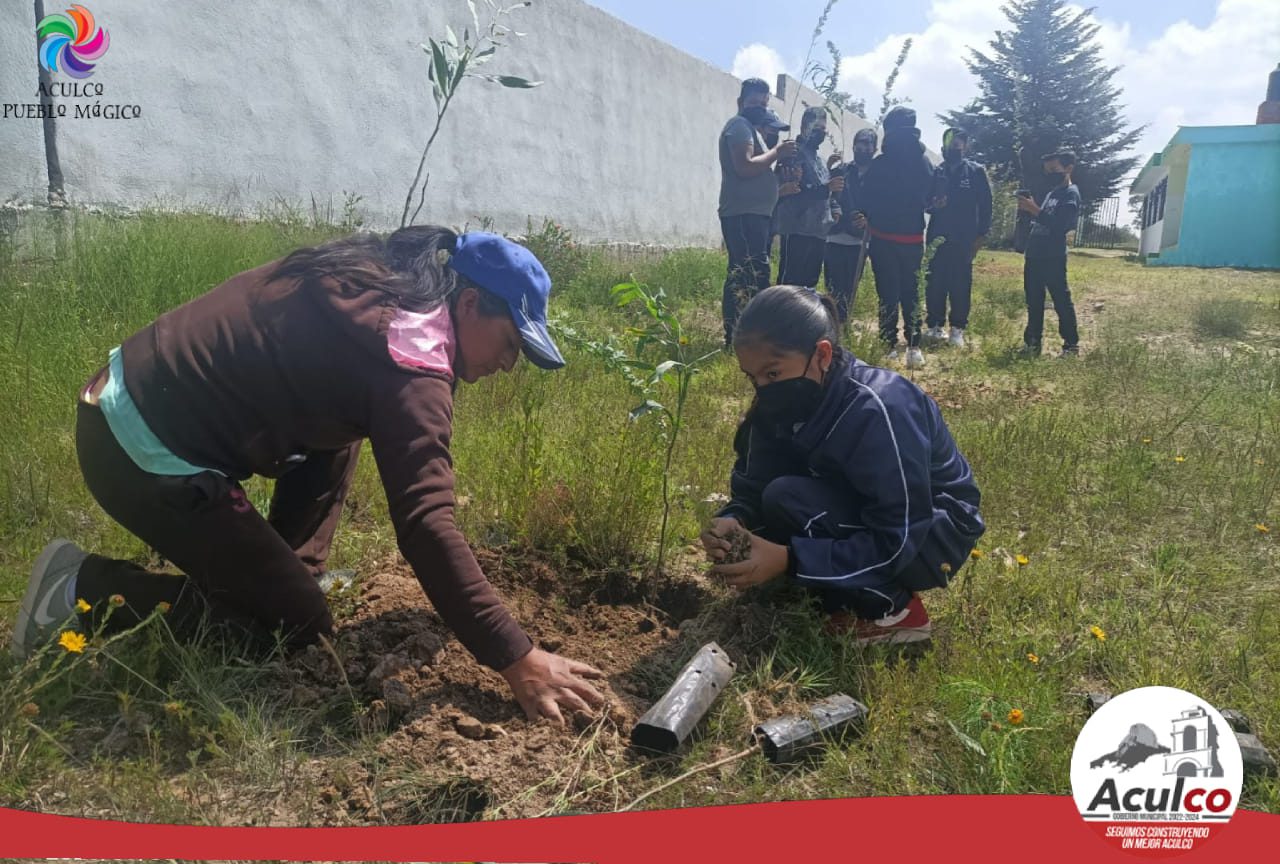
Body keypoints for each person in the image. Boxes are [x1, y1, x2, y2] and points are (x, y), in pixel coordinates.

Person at [11, 227, 607, 725]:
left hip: (122, 398)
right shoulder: (411, 360)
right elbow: (427, 523)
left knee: (340, 433)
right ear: (472, 304)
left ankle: (286, 575)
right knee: (294, 627)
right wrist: (517, 657)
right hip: (142, 455)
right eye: (510, 344)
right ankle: (80, 589)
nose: (508, 365)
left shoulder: (381, 279)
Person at [700, 286, 985, 644]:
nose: (762, 388)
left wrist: (790, 560)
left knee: (788, 498)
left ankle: (894, 612)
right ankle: (826, 581)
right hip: (858, 508)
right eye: (751, 377)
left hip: (930, 534)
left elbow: (897, 536)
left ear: (821, 354)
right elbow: (754, 484)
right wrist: (734, 518)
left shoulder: (880, 408)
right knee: (777, 499)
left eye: (772, 374)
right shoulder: (781, 403)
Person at [857, 106, 940, 370]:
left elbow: (865, 197)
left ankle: (889, 344)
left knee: (888, 293)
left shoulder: (880, 163)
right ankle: (913, 347)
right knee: (911, 293)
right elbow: (932, 197)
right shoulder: (924, 162)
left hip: (882, 238)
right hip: (913, 239)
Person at [718, 78, 797, 346]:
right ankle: (736, 336)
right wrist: (777, 151)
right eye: (754, 103)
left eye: (764, 104)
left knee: (755, 272)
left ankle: (750, 334)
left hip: (756, 215)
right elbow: (745, 167)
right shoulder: (739, 126)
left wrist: (780, 179)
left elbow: (758, 174)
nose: (759, 108)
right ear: (741, 103)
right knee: (745, 272)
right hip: (742, 214)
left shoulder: (751, 129)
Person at [924, 128, 992, 349]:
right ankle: (935, 325)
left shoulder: (975, 172)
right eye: (950, 143)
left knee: (960, 284)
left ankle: (957, 329)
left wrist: (981, 235)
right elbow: (926, 203)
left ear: (965, 146)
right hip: (937, 237)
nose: (954, 147)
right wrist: (935, 205)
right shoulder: (937, 172)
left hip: (964, 239)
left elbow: (986, 205)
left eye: (958, 143)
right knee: (935, 282)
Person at [1018, 151, 1081, 357]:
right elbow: (1043, 219)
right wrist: (1032, 209)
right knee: (1034, 300)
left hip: (1052, 256)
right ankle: (1032, 344)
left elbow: (1061, 226)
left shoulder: (1071, 194)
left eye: (1054, 169)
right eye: (1048, 171)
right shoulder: (1052, 194)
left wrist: (1035, 210)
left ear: (1069, 168)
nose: (1050, 174)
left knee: (1061, 300)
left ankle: (1071, 345)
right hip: (1034, 254)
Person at [773, 106, 844, 288]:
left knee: (808, 287)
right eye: (816, 128)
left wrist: (834, 208)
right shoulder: (793, 155)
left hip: (818, 230)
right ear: (804, 127)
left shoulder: (819, 160)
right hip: (796, 229)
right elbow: (796, 192)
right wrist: (826, 188)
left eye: (823, 129)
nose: (820, 133)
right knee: (789, 287)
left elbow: (826, 190)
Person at [823, 127, 877, 324]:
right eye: (860, 143)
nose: (863, 147)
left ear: (875, 147)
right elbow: (827, 197)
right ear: (854, 145)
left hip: (859, 241)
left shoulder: (880, 176)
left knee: (850, 287)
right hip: (835, 237)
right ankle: (831, 324)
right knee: (832, 287)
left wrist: (870, 221)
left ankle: (843, 325)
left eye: (868, 144)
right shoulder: (841, 170)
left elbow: (882, 204)